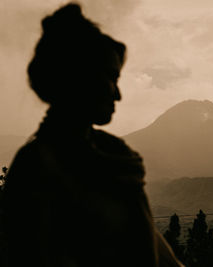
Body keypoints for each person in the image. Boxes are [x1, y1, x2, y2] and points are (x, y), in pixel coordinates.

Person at [3, 4, 183, 267]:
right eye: (111, 77)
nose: (118, 94)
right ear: (78, 76)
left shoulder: (115, 156)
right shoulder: (38, 169)